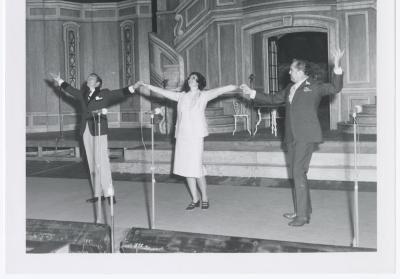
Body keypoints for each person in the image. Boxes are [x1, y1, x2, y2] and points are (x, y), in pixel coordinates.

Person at [240, 48, 344, 226]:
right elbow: (273, 99)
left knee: (298, 173)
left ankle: (302, 216)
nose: (289, 72)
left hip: (306, 136)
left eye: (292, 69)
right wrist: (252, 93)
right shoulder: (289, 88)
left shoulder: (315, 85)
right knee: (298, 174)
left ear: (301, 71)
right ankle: (303, 210)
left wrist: (337, 66)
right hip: (291, 136)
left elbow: (336, 87)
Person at [137, 72, 238, 210]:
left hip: (196, 136)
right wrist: (147, 85)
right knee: (186, 168)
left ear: (199, 82)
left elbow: (220, 90)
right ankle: (195, 199)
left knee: (196, 168)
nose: (191, 80)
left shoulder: (204, 95)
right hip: (183, 136)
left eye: (195, 78)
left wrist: (235, 86)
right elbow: (163, 92)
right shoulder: (181, 96)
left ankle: (204, 197)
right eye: (190, 77)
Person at [49, 72, 141, 204]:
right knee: (92, 163)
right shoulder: (83, 94)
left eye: (92, 78)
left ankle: (109, 194)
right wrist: (59, 80)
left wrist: (134, 87)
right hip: (85, 130)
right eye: (89, 77)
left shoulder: (104, 93)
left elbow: (120, 93)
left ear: (97, 83)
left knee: (102, 162)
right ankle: (98, 194)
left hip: (99, 130)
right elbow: (71, 90)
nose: (89, 79)